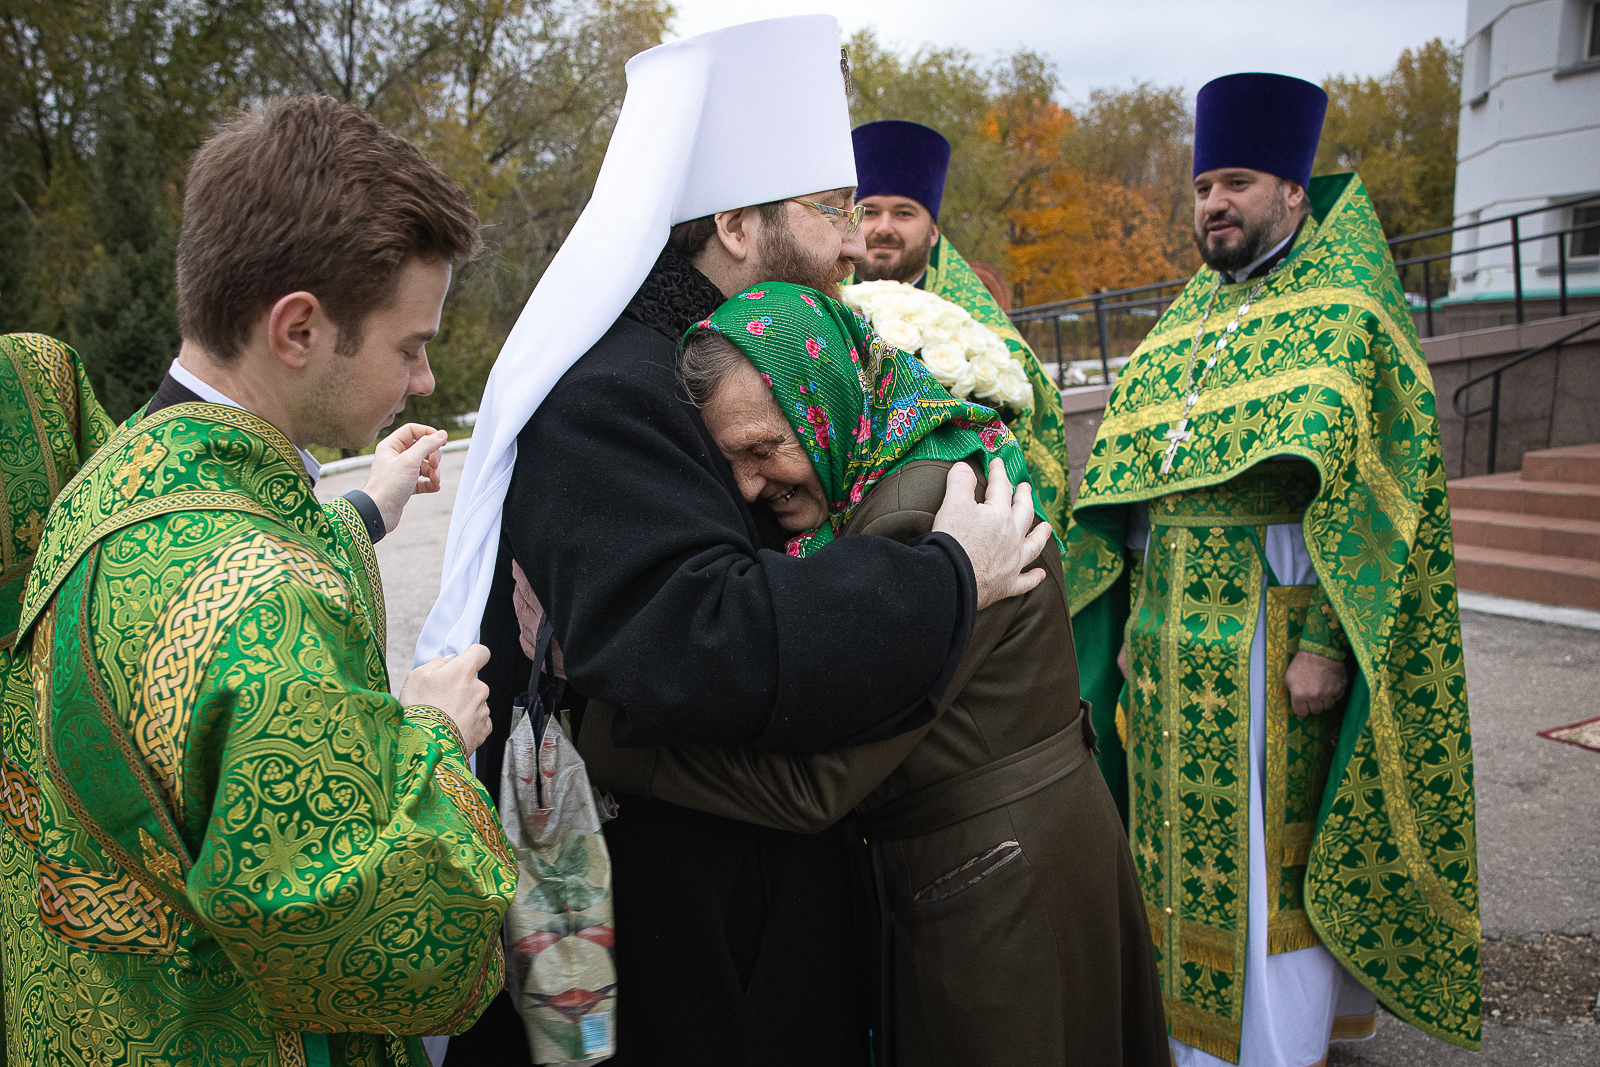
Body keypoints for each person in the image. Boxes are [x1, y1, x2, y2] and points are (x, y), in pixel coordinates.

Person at [415, 17, 1050, 1065]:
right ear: (738, 225)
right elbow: (702, 638)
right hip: (690, 930)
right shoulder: (612, 392)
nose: (855, 241)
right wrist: (947, 574)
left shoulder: (706, 355)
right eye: (831, 210)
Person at [0, 96, 516, 1065]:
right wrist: (437, 737)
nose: (425, 382)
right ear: (299, 329)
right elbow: (400, 950)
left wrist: (372, 505)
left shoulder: (113, 482)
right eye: (410, 345)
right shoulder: (265, 601)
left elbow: (231, 584)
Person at [570, 282, 1168, 1067]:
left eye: (764, 448)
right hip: (1031, 853)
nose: (753, 485)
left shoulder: (915, 518)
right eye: (733, 462)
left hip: (995, 891)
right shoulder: (913, 453)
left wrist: (612, 737)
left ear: (822, 397)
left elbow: (814, 785)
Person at [1062, 73, 1481, 1067]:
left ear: (1292, 191)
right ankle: (1180, 1036)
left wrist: (1331, 644)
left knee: (1262, 860)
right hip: (1168, 640)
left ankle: (1270, 1048)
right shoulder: (1186, 317)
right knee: (1170, 850)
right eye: (1204, 185)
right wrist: (1127, 628)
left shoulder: (1347, 309)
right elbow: (1139, 489)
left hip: (1270, 635)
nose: (1213, 204)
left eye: (1236, 183)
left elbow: (1384, 494)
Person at [851, 119, 1073, 534]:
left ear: (933, 232)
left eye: (903, 213)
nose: (883, 227)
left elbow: (1033, 399)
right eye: (869, 212)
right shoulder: (817, 309)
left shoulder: (978, 333)